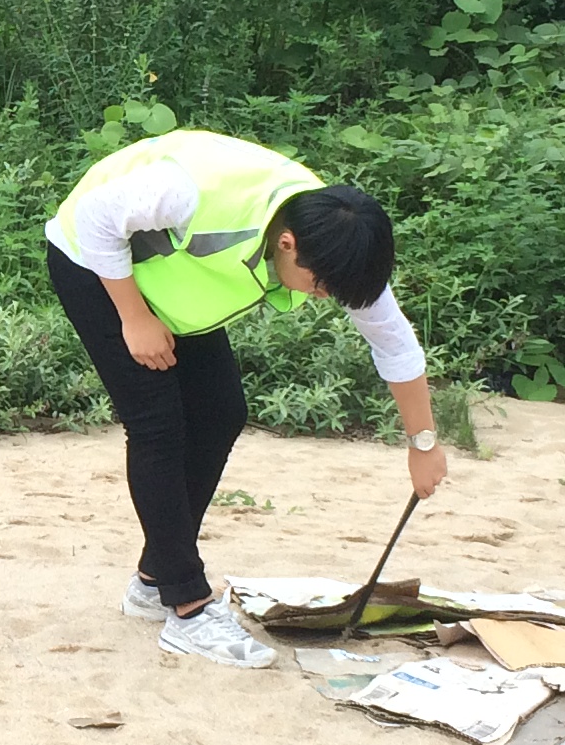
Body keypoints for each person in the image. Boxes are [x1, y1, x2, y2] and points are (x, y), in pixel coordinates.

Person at [47, 128, 448, 668]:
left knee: (221, 412)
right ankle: (187, 607)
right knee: (158, 425)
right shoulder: (191, 194)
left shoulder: (335, 237)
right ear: (288, 246)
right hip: (92, 260)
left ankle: (153, 578)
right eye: (322, 287)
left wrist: (423, 443)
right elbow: (96, 219)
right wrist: (134, 318)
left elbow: (394, 343)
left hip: (171, 283)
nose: (324, 297)